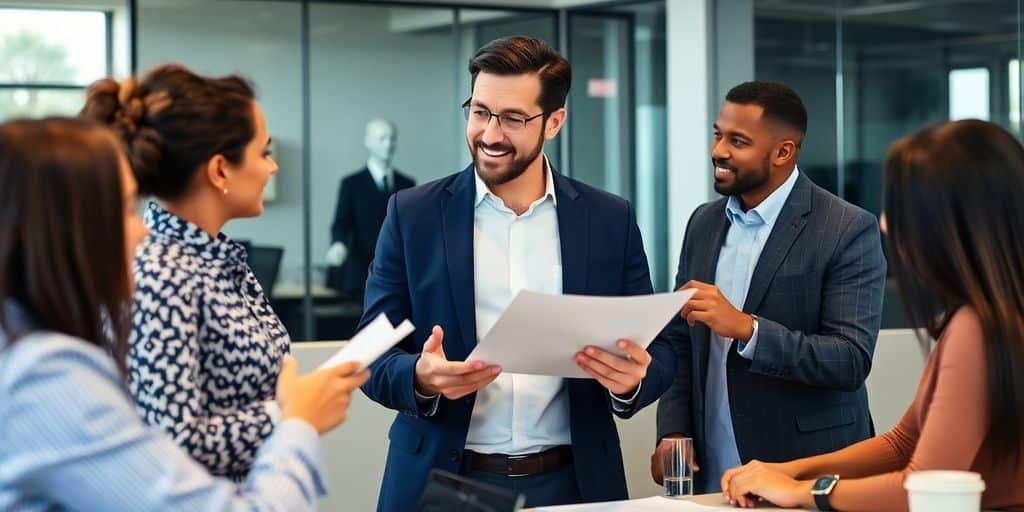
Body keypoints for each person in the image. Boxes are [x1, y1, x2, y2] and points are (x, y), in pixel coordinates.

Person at [358, 36, 676, 511]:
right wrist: (420, 377)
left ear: (554, 122)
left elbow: (663, 350)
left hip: (574, 482)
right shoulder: (413, 214)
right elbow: (368, 351)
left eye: (512, 118)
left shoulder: (608, 218)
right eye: (480, 111)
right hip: (441, 480)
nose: (489, 133)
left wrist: (632, 381)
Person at [0, 117, 369, 510]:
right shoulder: (46, 377)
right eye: (126, 209)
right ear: (68, 229)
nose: (142, 232)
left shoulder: (38, 355)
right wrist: (296, 421)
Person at [718, 119, 1024, 511]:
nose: (884, 222)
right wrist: (789, 471)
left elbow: (923, 487)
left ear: (951, 222)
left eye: (899, 207)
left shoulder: (978, 327)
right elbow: (903, 444)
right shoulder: (986, 316)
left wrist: (799, 492)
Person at [653, 81, 887, 492]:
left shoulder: (847, 228)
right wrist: (673, 431)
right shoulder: (703, 223)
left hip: (805, 471)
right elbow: (680, 341)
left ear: (783, 152)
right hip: (713, 475)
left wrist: (748, 329)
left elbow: (849, 360)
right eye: (718, 134)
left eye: (737, 141)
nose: (718, 151)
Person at [80, 64, 293, 479]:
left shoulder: (217, 260)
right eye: (263, 153)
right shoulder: (161, 273)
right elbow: (171, 443)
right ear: (219, 170)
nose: (272, 168)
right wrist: (293, 411)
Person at [325, 119, 415, 299]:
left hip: (398, 275)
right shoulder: (352, 184)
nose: (388, 144)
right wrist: (338, 244)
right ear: (368, 141)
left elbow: (412, 229)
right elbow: (341, 223)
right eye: (382, 139)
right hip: (362, 275)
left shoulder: (407, 184)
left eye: (392, 138)